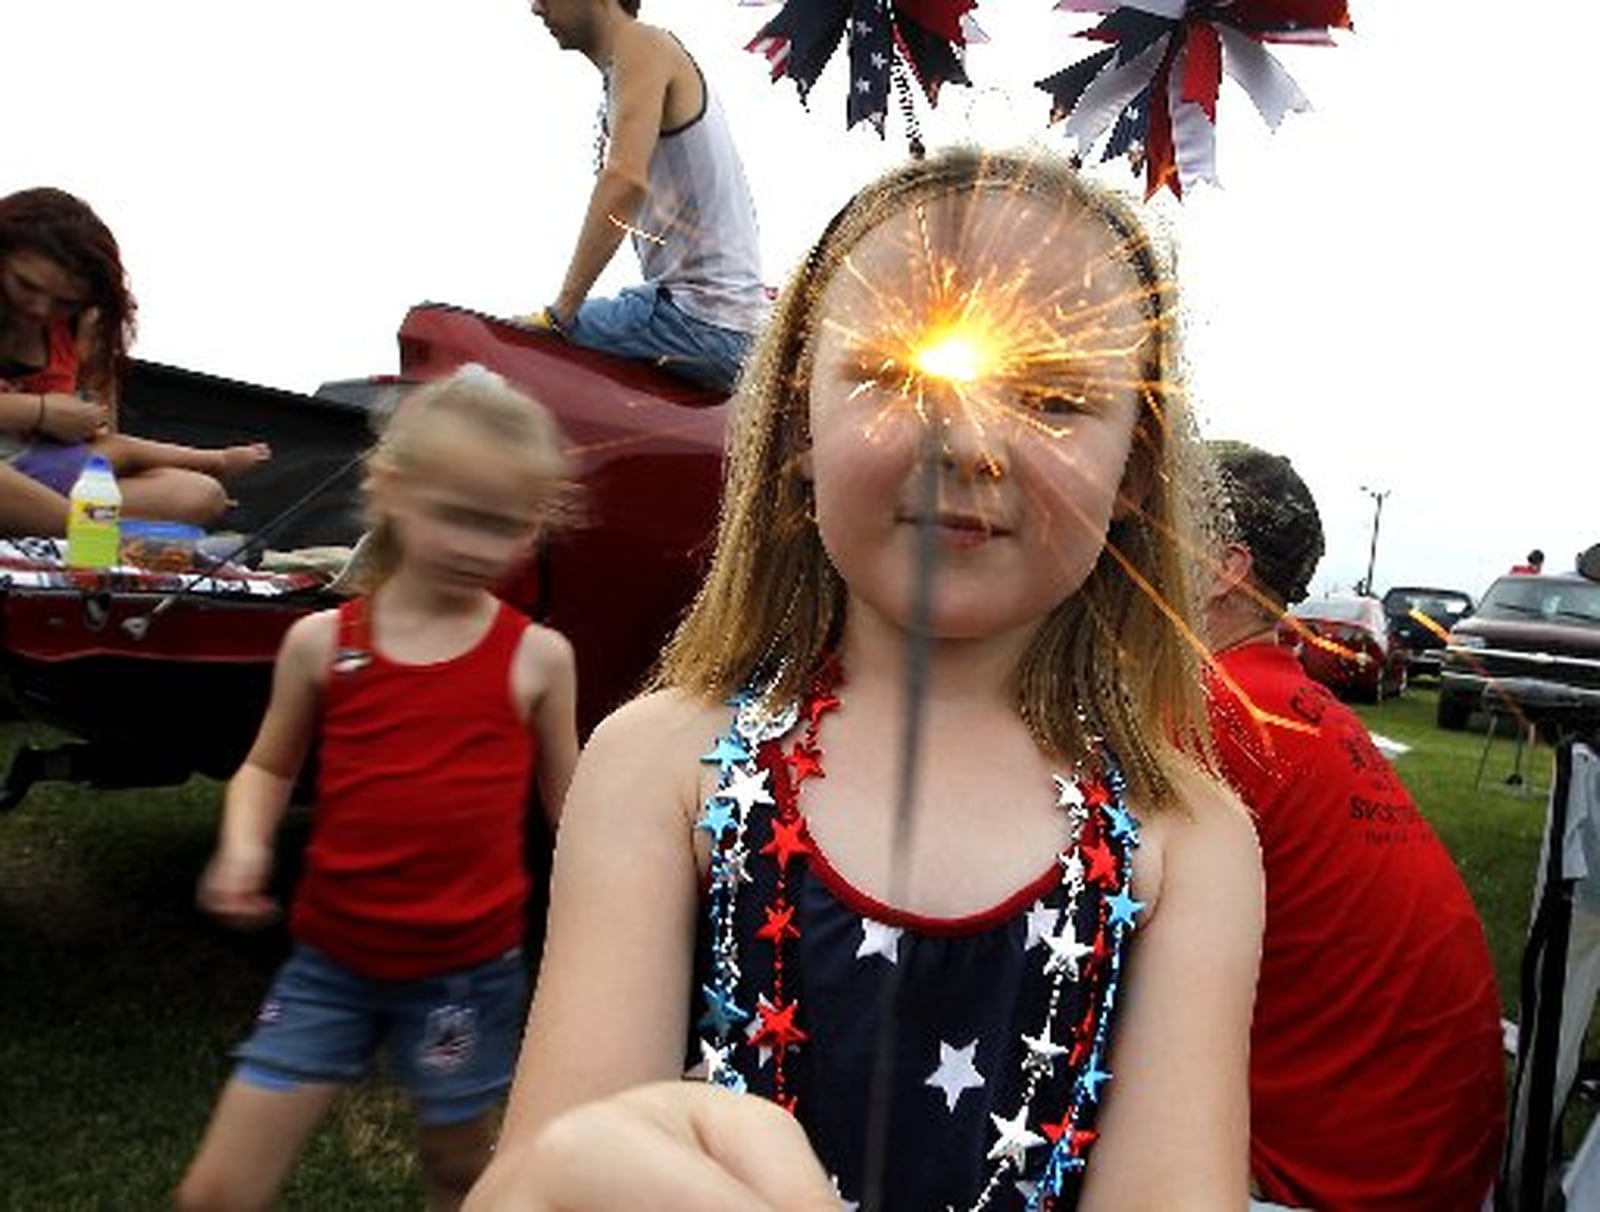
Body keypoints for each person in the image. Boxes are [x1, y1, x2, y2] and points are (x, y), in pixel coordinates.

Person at [470, 148, 1263, 1211]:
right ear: (801, 425)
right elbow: (550, 1162)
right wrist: (550, 1186)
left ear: (1134, 473)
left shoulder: (1188, 843)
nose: (971, 441)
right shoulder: (661, 766)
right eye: (900, 374)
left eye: (1057, 397)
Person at [176, 364, 581, 1212]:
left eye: (504, 527)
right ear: (393, 490)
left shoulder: (538, 658)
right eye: (457, 516)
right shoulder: (323, 644)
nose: (479, 546)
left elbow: (572, 809)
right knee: (217, 1190)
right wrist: (244, 846)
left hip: (466, 980)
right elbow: (267, 767)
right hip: (331, 966)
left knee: (458, 1168)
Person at [1203, 440, 1505, 1211]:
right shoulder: (1287, 701)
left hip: (1334, 1186)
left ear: (1220, 569)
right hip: (1442, 1168)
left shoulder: (1209, 717)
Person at [518, 0, 767, 394]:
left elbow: (624, 181)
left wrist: (562, 312)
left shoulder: (641, 43)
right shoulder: (630, 68)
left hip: (701, 321)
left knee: (510, 348)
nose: (534, 8)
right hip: (723, 325)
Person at [0, 187, 270, 535]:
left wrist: (89, 385)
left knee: (199, 495)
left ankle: (61, 523)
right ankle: (95, 534)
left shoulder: (74, 331)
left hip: (38, 470)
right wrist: (41, 412)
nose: (40, 309)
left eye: (64, 302)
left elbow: (101, 441)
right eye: (25, 285)